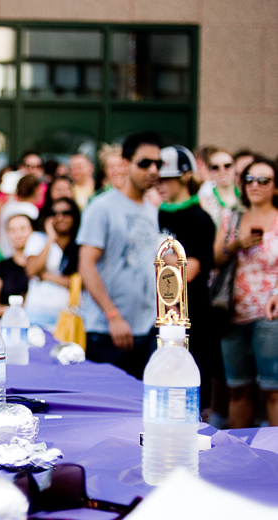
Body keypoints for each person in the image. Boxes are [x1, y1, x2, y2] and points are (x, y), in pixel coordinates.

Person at [77, 133, 163, 379]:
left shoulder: (153, 210)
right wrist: (112, 315)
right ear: (125, 163)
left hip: (146, 329)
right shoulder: (102, 207)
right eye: (145, 163)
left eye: (158, 163)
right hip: (106, 330)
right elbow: (86, 265)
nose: (153, 169)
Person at [155, 145, 218, 415]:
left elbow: (189, 271)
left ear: (184, 176)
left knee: (192, 389)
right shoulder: (157, 212)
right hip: (159, 313)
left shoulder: (200, 219)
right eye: (158, 179)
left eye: (167, 179)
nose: (161, 185)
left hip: (191, 317)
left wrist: (160, 249)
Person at [216, 157, 278, 428]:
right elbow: (215, 258)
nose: (256, 185)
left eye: (264, 180)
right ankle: (237, 457)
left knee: (273, 389)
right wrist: (236, 244)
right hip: (231, 311)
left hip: (270, 312)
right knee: (237, 388)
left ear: (275, 187)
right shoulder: (232, 217)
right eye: (250, 179)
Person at [24, 197, 81, 330]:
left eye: (66, 213)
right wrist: (50, 239)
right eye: (54, 214)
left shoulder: (80, 244)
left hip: (69, 318)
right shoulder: (38, 238)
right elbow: (32, 270)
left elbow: (79, 282)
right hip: (36, 315)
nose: (60, 218)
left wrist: (45, 275)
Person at [0, 213, 31, 316]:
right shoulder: (1, 266)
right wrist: (14, 311)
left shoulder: (43, 266)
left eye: (23, 229)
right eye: (12, 230)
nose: (18, 235)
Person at [0, 173, 40, 258]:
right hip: (23, 258)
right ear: (35, 190)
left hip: (4, 253)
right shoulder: (32, 210)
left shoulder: (7, 207)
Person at [199, 148, 242, 228]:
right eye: (215, 167)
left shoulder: (246, 198)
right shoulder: (203, 202)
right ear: (209, 171)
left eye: (227, 166)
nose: (222, 171)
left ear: (235, 168)